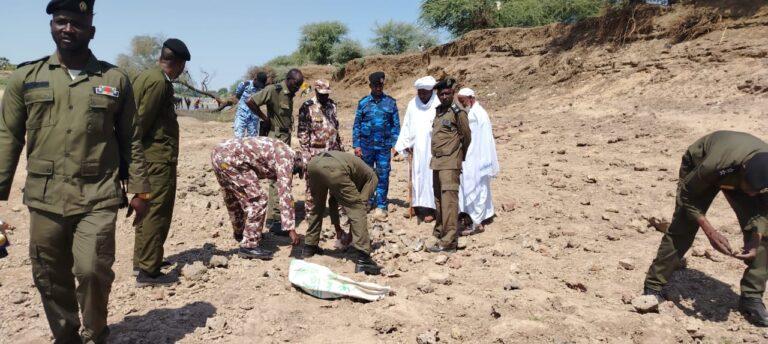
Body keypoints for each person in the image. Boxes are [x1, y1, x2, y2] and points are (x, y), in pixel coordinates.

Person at [0, 1, 151, 342]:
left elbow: (131, 139)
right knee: (49, 275)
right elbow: (7, 137)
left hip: (97, 193)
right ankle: (66, 336)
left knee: (93, 269)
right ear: (52, 25)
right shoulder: (27, 77)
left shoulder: (115, 80)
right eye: (61, 22)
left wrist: (141, 190)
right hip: (45, 195)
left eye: (77, 24)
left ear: (91, 30)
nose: (68, 29)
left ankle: (96, 333)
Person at [643, 131, 768, 326]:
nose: (751, 194)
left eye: (755, 191)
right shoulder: (714, 164)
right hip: (702, 167)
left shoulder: (762, 177)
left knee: (766, 235)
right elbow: (687, 196)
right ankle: (654, 285)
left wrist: (757, 236)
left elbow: (764, 209)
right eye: (749, 188)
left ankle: (751, 298)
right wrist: (710, 231)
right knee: (683, 226)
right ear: (743, 170)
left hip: (745, 178)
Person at [131, 38, 191, 287]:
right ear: (176, 63)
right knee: (157, 212)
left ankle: (144, 259)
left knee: (147, 208)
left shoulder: (149, 76)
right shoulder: (158, 82)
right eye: (182, 67)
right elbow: (141, 122)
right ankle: (148, 270)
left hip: (151, 157)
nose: (181, 72)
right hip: (156, 159)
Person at [211, 137, 304, 260]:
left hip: (219, 153)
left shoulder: (283, 149)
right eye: (298, 171)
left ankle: (241, 232)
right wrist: (291, 229)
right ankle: (249, 246)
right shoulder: (287, 159)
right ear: (298, 161)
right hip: (231, 159)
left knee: (234, 197)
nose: (295, 174)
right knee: (258, 200)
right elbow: (285, 194)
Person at [303, 151, 382, 275]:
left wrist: (339, 229)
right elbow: (359, 207)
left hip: (313, 164)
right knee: (358, 209)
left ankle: (309, 246)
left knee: (317, 207)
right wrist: (352, 235)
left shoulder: (355, 171)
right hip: (334, 167)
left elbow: (333, 201)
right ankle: (363, 259)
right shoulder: (372, 177)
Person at [245, 69, 304, 234]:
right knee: (277, 178)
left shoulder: (289, 93)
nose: (298, 88)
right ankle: (275, 220)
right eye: (296, 84)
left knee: (281, 176)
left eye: (300, 85)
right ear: (289, 79)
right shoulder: (274, 90)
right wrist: (265, 119)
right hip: (276, 138)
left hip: (285, 137)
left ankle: (274, 217)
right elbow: (250, 101)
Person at [297, 79, 349, 242]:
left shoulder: (332, 105)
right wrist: (307, 155)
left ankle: (339, 222)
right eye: (322, 94)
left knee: (336, 186)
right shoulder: (307, 107)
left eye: (327, 94)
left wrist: (340, 151)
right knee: (313, 190)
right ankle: (312, 222)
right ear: (316, 91)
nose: (325, 97)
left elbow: (335, 128)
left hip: (333, 153)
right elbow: (303, 133)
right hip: (316, 154)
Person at [426, 78, 471, 253]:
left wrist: (458, 156)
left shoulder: (457, 111)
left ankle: (450, 242)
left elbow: (466, 136)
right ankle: (440, 231)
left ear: (453, 93)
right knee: (438, 199)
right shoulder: (439, 111)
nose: (444, 96)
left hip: (450, 163)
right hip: (437, 162)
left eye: (447, 93)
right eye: (441, 94)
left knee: (449, 202)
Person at [352, 71, 400, 221]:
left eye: (380, 85)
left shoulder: (390, 103)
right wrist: (356, 145)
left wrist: (395, 144)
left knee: (383, 175)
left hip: (384, 147)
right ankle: (367, 201)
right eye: (375, 85)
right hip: (366, 147)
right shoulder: (363, 103)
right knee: (366, 175)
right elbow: (357, 125)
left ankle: (381, 205)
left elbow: (395, 126)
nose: (378, 88)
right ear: (370, 86)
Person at [394, 76, 439, 223]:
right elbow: (407, 125)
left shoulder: (438, 104)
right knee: (416, 177)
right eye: (420, 92)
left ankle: (431, 209)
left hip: (433, 149)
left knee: (431, 178)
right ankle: (416, 205)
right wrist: (405, 143)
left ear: (431, 91)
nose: (422, 95)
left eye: (425, 92)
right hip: (416, 149)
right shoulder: (413, 104)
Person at [456, 88, 499, 235]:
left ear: (470, 98)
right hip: (470, 157)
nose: (461, 103)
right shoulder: (471, 112)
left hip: (479, 158)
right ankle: (474, 216)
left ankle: (477, 223)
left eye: (463, 100)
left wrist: (483, 160)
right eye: (460, 101)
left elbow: (484, 139)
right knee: (470, 185)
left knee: (479, 187)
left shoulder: (479, 114)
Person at [233, 72, 268, 138]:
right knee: (238, 137)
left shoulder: (261, 89)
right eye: (259, 84)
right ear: (255, 79)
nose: (260, 86)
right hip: (241, 115)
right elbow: (238, 96)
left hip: (254, 117)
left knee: (252, 138)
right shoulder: (244, 85)